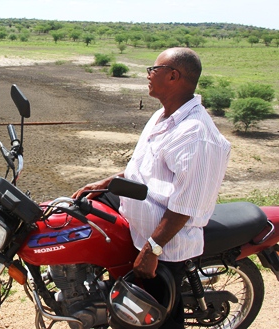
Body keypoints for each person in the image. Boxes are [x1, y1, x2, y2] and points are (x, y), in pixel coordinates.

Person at [73, 47, 231, 329]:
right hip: (137, 232)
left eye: (152, 69)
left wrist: (151, 250)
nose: (147, 74)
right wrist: (109, 182)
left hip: (165, 249)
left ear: (173, 76)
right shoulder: (164, 116)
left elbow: (186, 206)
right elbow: (148, 168)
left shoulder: (196, 135)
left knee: (153, 320)